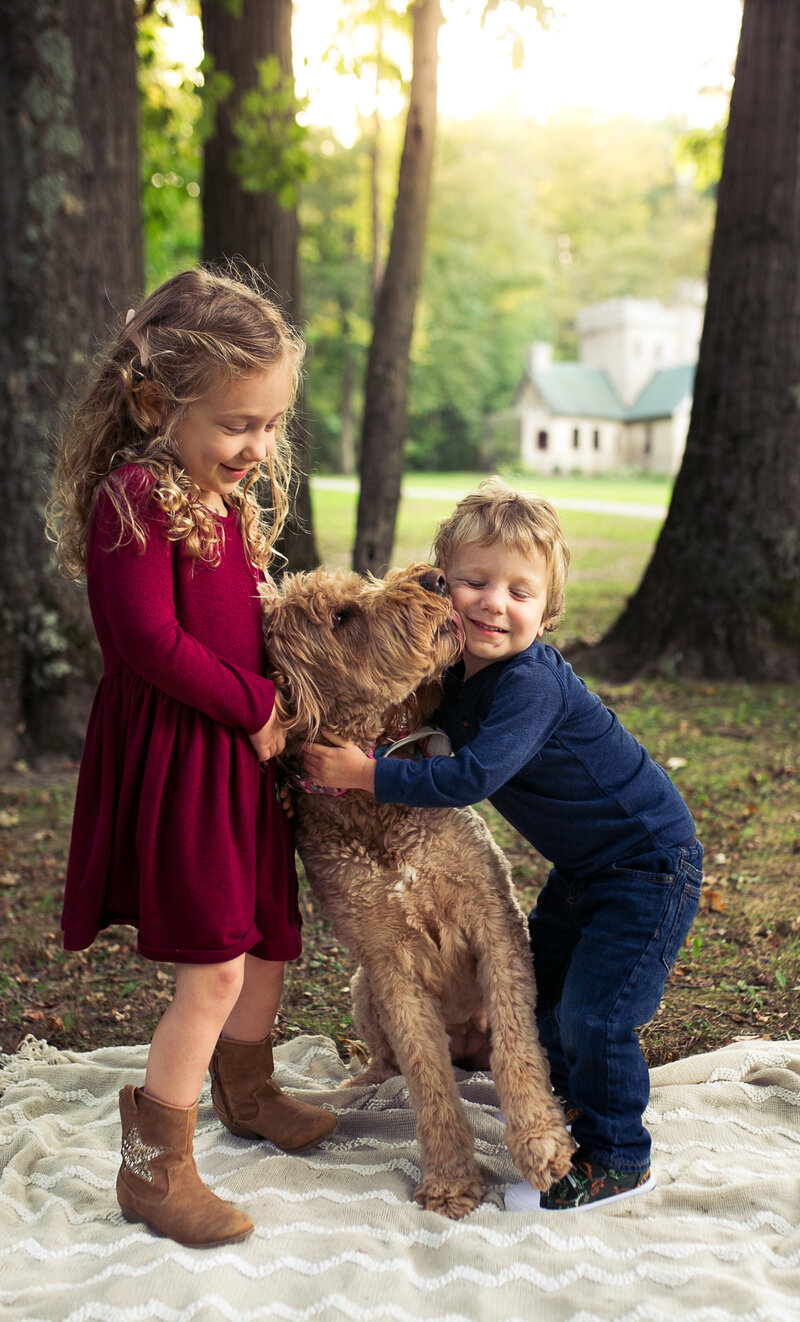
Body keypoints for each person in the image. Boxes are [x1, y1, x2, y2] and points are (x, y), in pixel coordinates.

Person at [302, 477, 703, 1213]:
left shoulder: (531, 685)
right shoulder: (459, 675)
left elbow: (470, 776)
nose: (495, 603)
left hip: (650, 866)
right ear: (442, 586)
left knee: (597, 1014)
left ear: (546, 615)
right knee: (546, 996)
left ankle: (620, 1159)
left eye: (520, 592)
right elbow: (408, 701)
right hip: (585, 868)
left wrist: (368, 775)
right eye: (476, 582)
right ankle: (575, 1111)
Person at [48, 267, 336, 1248]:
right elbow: (146, 641)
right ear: (152, 401)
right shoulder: (133, 497)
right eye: (235, 424)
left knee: (261, 934)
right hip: (185, 755)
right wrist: (254, 704)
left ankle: (245, 1085)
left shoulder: (219, 496)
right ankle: (154, 1168)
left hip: (240, 758)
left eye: (270, 423)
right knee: (211, 965)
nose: (258, 446)